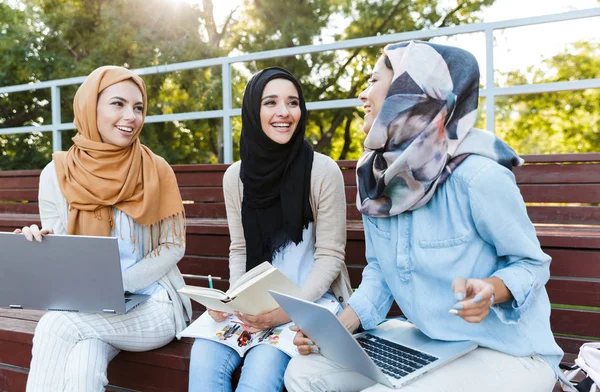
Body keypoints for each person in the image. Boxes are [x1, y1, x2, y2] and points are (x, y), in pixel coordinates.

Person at [284, 41, 563, 391]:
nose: (362, 94)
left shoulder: (478, 176)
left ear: (407, 91)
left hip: (508, 351)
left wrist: (492, 290)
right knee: (303, 373)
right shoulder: (376, 177)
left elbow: (532, 265)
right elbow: (381, 273)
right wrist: (340, 325)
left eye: (373, 80)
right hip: (431, 342)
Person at [15, 66, 192, 392]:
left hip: (153, 306)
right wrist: (40, 243)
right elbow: (63, 249)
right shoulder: (55, 175)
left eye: (138, 107)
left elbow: (173, 245)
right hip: (89, 308)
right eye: (118, 104)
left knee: (56, 324)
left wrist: (115, 286)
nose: (131, 116)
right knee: (82, 369)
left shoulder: (156, 169)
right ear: (89, 106)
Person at [188, 66, 353, 392]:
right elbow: (239, 248)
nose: (284, 112)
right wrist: (234, 299)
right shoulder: (236, 177)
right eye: (271, 102)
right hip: (252, 303)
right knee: (203, 359)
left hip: (309, 301)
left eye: (293, 103)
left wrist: (285, 311)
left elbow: (331, 256)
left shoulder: (322, 171)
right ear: (253, 110)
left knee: (261, 373)